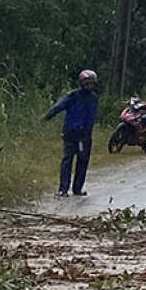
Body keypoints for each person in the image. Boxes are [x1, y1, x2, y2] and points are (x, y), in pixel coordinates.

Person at [44, 69, 100, 197]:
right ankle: (63, 189)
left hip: (85, 135)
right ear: (82, 83)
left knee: (83, 161)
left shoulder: (93, 98)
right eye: (87, 84)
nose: (89, 86)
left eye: (91, 84)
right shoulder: (72, 96)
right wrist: (47, 116)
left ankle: (77, 189)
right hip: (71, 133)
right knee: (67, 160)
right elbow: (58, 106)